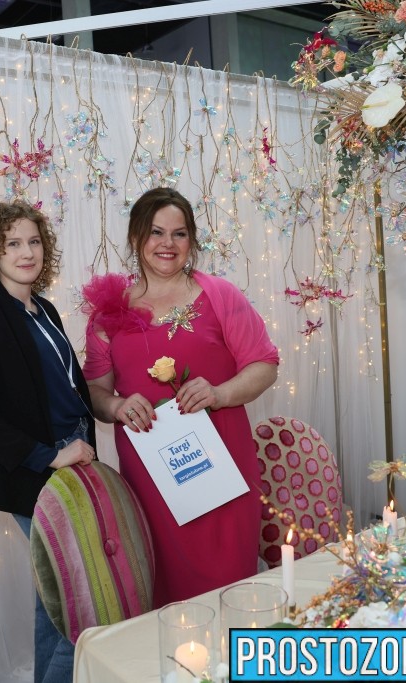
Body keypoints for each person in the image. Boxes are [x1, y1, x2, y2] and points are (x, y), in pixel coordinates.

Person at [82, 187, 279, 607]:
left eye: (179, 233)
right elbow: (95, 391)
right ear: (136, 237)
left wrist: (220, 393)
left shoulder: (221, 296)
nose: (167, 244)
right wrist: (116, 405)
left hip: (223, 469)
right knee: (165, 591)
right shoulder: (108, 312)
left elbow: (264, 365)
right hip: (152, 476)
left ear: (192, 240)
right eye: (156, 232)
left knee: (230, 585)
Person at [0, 201, 96, 683]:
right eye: (12, 243)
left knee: (54, 601)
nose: (26, 252)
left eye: (33, 241)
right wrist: (50, 457)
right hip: (37, 470)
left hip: (75, 458)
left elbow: (65, 388)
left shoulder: (45, 309)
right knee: (81, 604)